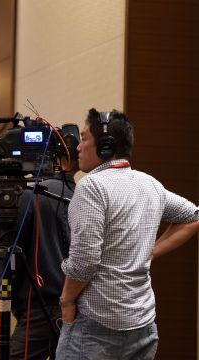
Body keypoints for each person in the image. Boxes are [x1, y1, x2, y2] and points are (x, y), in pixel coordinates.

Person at [56, 108, 199, 359]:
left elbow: (84, 260)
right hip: (143, 325)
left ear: (106, 147)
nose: (78, 146)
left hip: (95, 328)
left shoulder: (91, 187)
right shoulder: (149, 184)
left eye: (85, 138)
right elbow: (193, 217)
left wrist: (67, 300)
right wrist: (149, 253)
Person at [10, 144, 78, 359]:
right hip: (76, 304)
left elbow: (16, 253)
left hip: (39, 304)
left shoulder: (33, 194)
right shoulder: (84, 196)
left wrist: (13, 299)